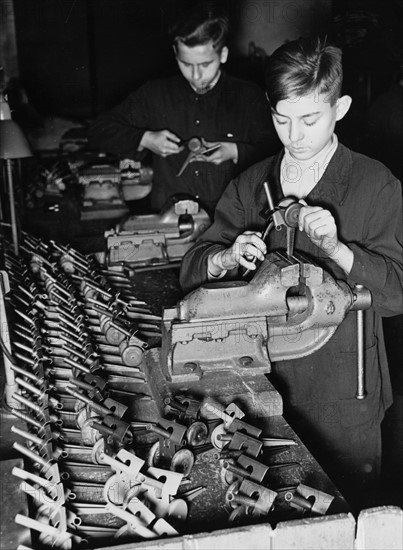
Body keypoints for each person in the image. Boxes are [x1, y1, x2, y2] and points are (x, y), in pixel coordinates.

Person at [179, 37, 403, 511]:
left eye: (309, 120)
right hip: (261, 385)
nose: (294, 136)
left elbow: (396, 295)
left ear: (339, 108)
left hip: (345, 394)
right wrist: (224, 257)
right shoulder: (251, 184)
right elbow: (192, 268)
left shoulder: (374, 184)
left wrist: (341, 251)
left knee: (346, 517)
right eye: (282, 119)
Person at [88, 2, 280, 218]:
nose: (196, 76)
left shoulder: (248, 96)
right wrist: (145, 138)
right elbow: (98, 130)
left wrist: (236, 152)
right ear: (175, 53)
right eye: (186, 64)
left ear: (223, 55)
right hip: (168, 221)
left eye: (205, 64)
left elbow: (278, 151)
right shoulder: (155, 94)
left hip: (231, 220)